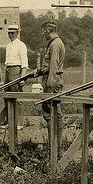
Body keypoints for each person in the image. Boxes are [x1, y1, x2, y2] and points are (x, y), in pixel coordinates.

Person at [34, 20, 65, 153]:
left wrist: (50, 86)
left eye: (43, 31)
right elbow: (49, 66)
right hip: (50, 78)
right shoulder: (55, 43)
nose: (42, 34)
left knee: (52, 114)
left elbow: (53, 66)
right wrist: (40, 71)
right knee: (53, 114)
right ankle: (55, 147)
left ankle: (55, 147)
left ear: (47, 30)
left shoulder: (55, 44)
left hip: (52, 81)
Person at [0, 24, 29, 131]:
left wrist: (22, 77)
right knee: (7, 96)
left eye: (12, 33)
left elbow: (24, 63)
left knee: (18, 97)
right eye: (9, 33)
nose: (10, 35)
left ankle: (19, 123)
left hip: (16, 70)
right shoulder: (8, 46)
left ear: (17, 33)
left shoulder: (21, 45)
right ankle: (9, 121)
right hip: (7, 70)